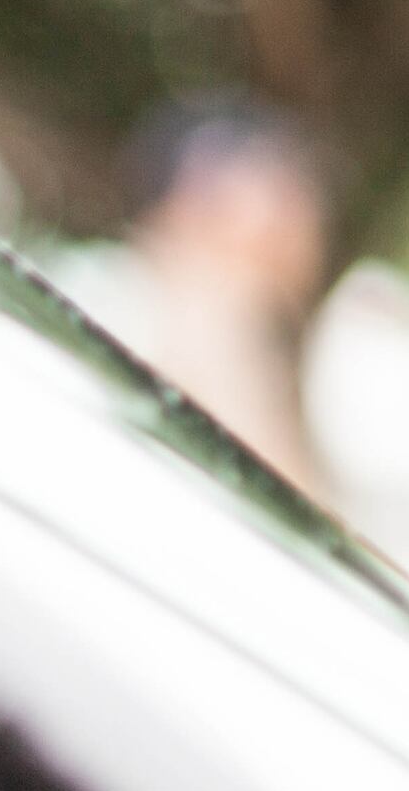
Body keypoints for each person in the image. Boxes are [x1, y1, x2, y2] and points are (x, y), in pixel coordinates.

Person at [54, 95, 335, 497]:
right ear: (200, 193)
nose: (307, 218)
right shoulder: (117, 304)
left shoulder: (240, 332)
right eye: (283, 188)